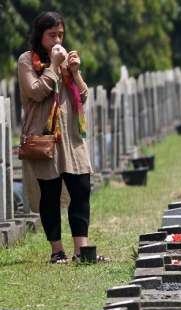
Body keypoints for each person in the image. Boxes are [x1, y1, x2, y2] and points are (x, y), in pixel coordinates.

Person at [17, 11, 93, 263]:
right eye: (52, 35)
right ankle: (57, 251)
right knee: (49, 195)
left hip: (72, 136)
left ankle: (82, 251)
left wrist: (75, 71)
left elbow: (82, 97)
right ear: (40, 36)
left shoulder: (65, 61)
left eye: (60, 34)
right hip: (44, 138)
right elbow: (36, 92)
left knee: (81, 188)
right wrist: (52, 66)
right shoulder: (27, 61)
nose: (57, 39)